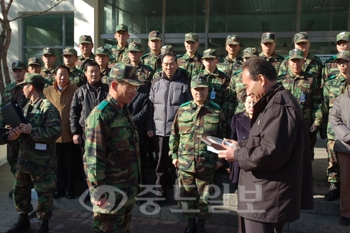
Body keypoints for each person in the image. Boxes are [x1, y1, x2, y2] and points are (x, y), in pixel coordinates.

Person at [217, 57, 313, 233]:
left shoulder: (279, 105)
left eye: (247, 86)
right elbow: (265, 140)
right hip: (259, 199)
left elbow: (271, 152)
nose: (247, 93)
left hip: (266, 200)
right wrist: (240, 145)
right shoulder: (271, 102)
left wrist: (237, 155)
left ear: (261, 79)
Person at [83, 63, 143, 233]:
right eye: (130, 86)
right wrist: (98, 191)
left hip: (126, 189)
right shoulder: (101, 115)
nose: (134, 91)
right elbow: (93, 158)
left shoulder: (123, 111)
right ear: (115, 85)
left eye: (135, 87)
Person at [169, 76, 226, 233]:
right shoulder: (183, 110)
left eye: (202, 89)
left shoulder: (216, 110)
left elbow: (221, 136)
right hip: (185, 162)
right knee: (186, 195)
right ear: (191, 90)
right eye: (196, 89)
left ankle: (201, 224)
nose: (199, 92)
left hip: (206, 163)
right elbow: (174, 134)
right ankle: (190, 223)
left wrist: (220, 159)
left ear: (208, 90)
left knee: (204, 197)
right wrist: (174, 155)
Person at [6, 73, 61, 233]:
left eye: (24, 86)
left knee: (44, 194)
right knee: (20, 190)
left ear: (30, 87)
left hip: (42, 162)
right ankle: (23, 219)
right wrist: (15, 131)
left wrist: (32, 130)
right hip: (25, 159)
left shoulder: (47, 107)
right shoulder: (26, 106)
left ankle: (43, 225)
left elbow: (55, 132)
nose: (22, 89)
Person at [149, 52, 192, 202]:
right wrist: (150, 127)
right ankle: (159, 195)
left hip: (178, 132)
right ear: (162, 65)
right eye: (166, 64)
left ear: (177, 64)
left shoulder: (184, 83)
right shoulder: (156, 83)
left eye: (171, 63)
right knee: (160, 165)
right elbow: (151, 107)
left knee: (177, 164)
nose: (169, 67)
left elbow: (189, 107)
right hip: (160, 131)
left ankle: (178, 196)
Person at [277, 49, 322, 160]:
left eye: (298, 61)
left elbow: (317, 102)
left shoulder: (311, 80)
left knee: (306, 153)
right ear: (288, 62)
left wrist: (317, 121)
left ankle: (305, 177)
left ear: (303, 62)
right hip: (285, 123)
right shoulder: (281, 80)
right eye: (293, 61)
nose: (296, 64)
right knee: (286, 152)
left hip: (305, 124)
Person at [44, 65, 78, 199]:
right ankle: (58, 188)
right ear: (55, 76)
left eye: (65, 74)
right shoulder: (47, 91)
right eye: (60, 74)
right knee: (56, 164)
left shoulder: (75, 90)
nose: (62, 77)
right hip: (53, 136)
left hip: (70, 134)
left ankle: (70, 189)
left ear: (69, 76)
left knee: (70, 164)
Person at [322, 50, 350, 201]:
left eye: (345, 62)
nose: (342, 65)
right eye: (339, 62)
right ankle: (334, 186)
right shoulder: (330, 83)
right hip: (334, 130)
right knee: (333, 159)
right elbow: (325, 107)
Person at [0, 61, 28, 197]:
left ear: (25, 71)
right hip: (11, 132)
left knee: (26, 160)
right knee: (12, 159)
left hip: (25, 131)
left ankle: (26, 187)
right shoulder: (8, 89)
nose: (17, 73)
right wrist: (2, 127)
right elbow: (3, 110)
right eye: (15, 71)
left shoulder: (29, 87)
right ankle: (18, 185)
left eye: (20, 70)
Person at [198, 48, 232, 134]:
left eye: (211, 59)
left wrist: (223, 117)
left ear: (217, 60)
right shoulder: (197, 77)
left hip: (217, 115)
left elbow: (226, 100)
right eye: (206, 59)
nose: (209, 62)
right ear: (202, 61)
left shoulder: (224, 78)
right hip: (200, 114)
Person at [329, 88, 350, 226]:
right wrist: (348, 136)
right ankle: (346, 213)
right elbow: (334, 119)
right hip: (346, 147)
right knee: (347, 182)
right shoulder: (341, 99)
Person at [227, 91, 255, 191]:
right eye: (249, 102)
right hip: (240, 159)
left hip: (255, 158)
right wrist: (229, 164)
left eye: (254, 102)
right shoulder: (237, 118)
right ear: (244, 103)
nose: (252, 105)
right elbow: (232, 140)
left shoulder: (262, 118)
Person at [230, 47, 259, 114]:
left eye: (252, 59)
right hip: (240, 116)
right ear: (243, 60)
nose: (249, 61)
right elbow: (230, 102)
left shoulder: (262, 78)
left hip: (259, 115)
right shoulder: (235, 78)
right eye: (247, 58)